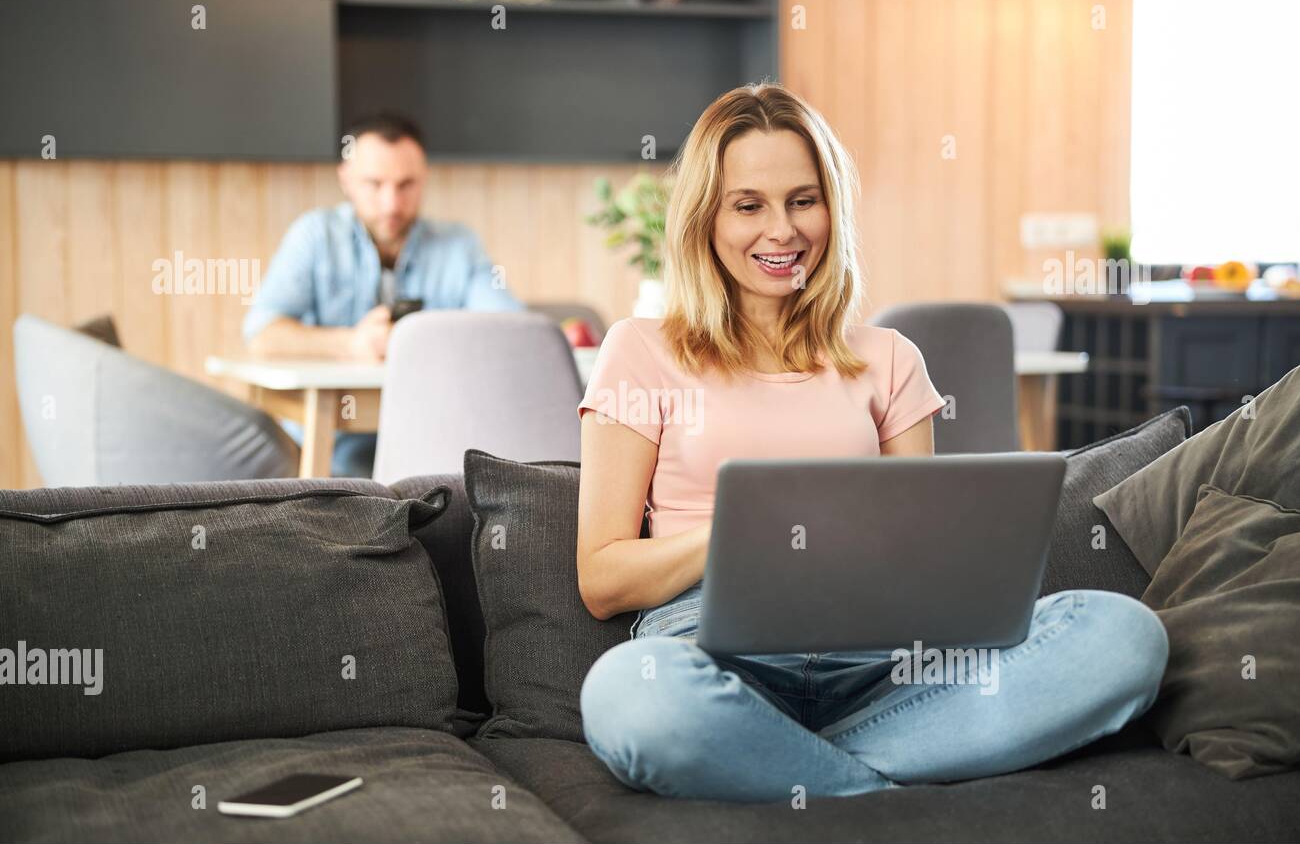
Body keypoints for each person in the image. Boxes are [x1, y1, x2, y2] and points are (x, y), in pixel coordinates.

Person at [575, 82, 1169, 803]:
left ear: (832, 207)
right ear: (705, 218)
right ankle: (873, 789)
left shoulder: (889, 358)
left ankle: (778, 767)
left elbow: (919, 553)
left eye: (803, 200)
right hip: (711, 655)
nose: (783, 231)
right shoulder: (640, 351)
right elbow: (603, 579)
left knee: (1123, 637)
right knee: (629, 699)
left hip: (888, 670)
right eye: (748, 205)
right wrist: (743, 530)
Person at [241, 111, 522, 477]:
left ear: (424, 180)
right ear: (346, 179)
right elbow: (262, 333)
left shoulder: (459, 245)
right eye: (374, 184)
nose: (391, 203)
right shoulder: (314, 236)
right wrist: (351, 344)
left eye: (406, 185)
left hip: (436, 435)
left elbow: (513, 329)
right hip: (333, 442)